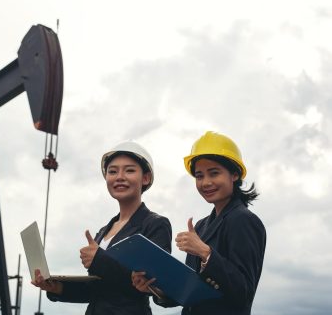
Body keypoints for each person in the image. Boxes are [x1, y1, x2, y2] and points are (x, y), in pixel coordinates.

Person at [132, 131, 266, 315]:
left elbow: (243, 292)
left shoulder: (244, 220)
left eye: (214, 173)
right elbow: (190, 292)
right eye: (199, 176)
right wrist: (154, 288)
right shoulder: (201, 227)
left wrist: (206, 253)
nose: (206, 182)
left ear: (234, 174)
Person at [32, 140, 172, 315]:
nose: (119, 176)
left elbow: (150, 280)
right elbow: (98, 291)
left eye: (129, 170)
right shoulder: (103, 232)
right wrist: (56, 287)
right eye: (112, 171)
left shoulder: (155, 224)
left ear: (146, 178)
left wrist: (99, 259)